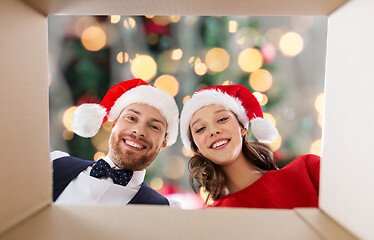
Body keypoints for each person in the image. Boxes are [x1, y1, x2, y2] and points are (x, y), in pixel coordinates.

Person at [179, 84, 320, 209]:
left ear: (242, 126)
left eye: (222, 119)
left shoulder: (307, 170)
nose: (213, 131)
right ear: (196, 147)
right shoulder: (214, 219)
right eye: (200, 129)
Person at [51, 78, 180, 206]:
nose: (139, 131)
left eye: (154, 127)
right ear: (114, 123)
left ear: (164, 143)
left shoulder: (164, 210)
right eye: (131, 118)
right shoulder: (53, 165)